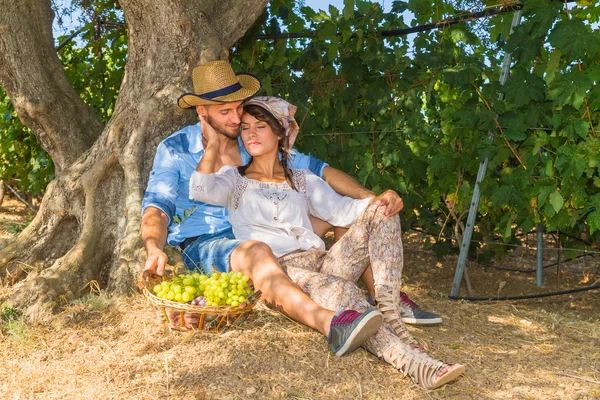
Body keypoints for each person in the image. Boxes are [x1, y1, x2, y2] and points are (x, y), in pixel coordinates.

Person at [188, 96, 464, 389]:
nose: (250, 134)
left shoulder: (303, 179)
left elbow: (348, 211)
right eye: (245, 128)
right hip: (285, 272)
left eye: (260, 126)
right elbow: (200, 189)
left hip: (322, 263)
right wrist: (213, 146)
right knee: (343, 291)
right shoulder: (234, 179)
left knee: (381, 210)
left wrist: (385, 197)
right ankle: (415, 363)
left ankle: (389, 307)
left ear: (280, 133)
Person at [142, 60, 385, 356]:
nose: (236, 118)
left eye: (239, 107)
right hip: (210, 244)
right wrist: (153, 246)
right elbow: (158, 205)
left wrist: (368, 197)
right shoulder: (175, 149)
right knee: (256, 250)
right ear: (201, 111)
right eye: (225, 112)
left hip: (263, 230)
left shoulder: (250, 138)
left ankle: (384, 299)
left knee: (339, 215)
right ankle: (331, 324)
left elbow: (318, 168)